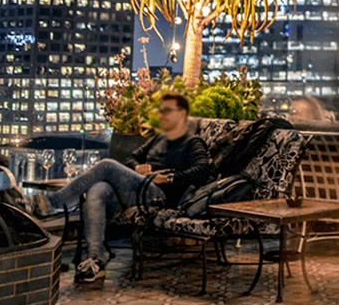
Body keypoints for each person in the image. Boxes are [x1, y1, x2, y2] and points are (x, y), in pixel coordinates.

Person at [31, 93, 209, 284]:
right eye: (160, 111)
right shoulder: (159, 139)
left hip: (159, 196)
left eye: (167, 111)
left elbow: (202, 171)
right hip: (137, 190)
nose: (161, 115)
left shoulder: (192, 142)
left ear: (182, 114)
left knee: (107, 165)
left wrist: (167, 178)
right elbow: (131, 158)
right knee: (97, 189)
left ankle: (51, 203)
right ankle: (95, 260)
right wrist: (137, 167)